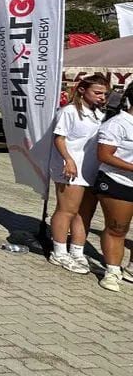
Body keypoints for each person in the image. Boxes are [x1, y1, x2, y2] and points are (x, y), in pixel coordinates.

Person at [47, 74, 109, 275]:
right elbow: (59, 138)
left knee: (84, 213)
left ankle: (77, 250)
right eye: (97, 93)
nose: (102, 97)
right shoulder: (69, 111)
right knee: (67, 210)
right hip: (70, 168)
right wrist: (68, 159)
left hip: (91, 169)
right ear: (82, 90)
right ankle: (59, 251)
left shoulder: (99, 114)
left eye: (104, 94)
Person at [95, 83, 133, 292]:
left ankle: (131, 269)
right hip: (119, 181)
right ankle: (111, 271)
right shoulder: (117, 124)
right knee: (118, 228)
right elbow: (104, 155)